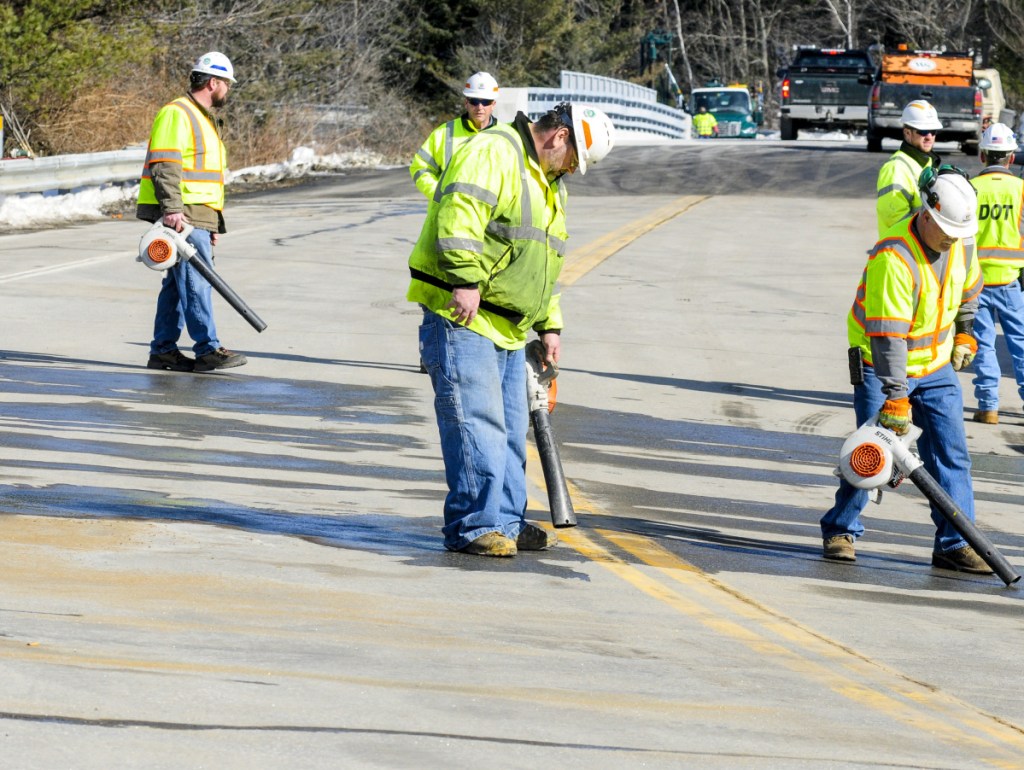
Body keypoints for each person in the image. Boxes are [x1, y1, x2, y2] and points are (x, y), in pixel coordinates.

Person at [407, 102, 614, 557]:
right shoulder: (494, 151)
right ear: (559, 137)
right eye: (575, 160)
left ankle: (506, 519)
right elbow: (457, 219)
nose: (573, 170)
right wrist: (463, 279)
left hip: (510, 324)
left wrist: (549, 324)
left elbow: (545, 260)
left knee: (507, 431)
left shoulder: (548, 183)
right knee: (475, 424)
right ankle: (472, 526)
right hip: (464, 314)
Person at [821, 168, 993, 574]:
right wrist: (896, 395)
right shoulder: (894, 256)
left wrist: (966, 334)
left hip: (934, 367)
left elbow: (970, 292)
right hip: (882, 367)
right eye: (946, 229)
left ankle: (954, 543)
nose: (951, 239)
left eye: (959, 231)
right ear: (927, 213)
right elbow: (887, 336)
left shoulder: (962, 241)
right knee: (872, 454)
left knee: (952, 455)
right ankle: (840, 529)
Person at [137, 51, 247, 373]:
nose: (228, 89)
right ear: (213, 82)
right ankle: (208, 349)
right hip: (183, 214)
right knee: (197, 282)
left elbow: (206, 176)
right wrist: (172, 209)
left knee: (177, 285)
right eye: (227, 83)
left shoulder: (204, 119)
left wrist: (212, 221)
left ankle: (163, 351)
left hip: (197, 214)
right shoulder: (178, 113)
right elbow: (166, 165)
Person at [969, 123, 1024, 425]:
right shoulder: (1021, 189)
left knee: (984, 344)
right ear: (1011, 158)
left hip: (976, 282)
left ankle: (988, 406)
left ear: (982, 156)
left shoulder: (972, 188)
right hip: (1010, 281)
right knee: (1021, 344)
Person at [410, 72, 500, 199]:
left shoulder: (505, 136)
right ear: (466, 103)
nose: (480, 107)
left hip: (491, 216)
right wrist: (439, 195)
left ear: (493, 104)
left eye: (486, 102)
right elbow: (420, 167)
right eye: (474, 101)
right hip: (450, 214)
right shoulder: (444, 133)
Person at [875, 100, 943, 238]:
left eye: (933, 131)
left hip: (919, 251)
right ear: (907, 133)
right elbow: (895, 219)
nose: (929, 136)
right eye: (923, 131)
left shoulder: (928, 163)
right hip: (901, 252)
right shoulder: (896, 168)